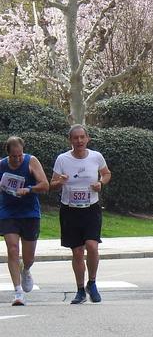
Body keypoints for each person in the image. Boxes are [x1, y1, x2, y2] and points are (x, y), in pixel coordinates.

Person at [51, 125, 111, 305]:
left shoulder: (96, 157)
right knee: (77, 252)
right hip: (70, 209)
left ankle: (91, 283)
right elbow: (51, 184)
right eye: (75, 138)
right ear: (70, 141)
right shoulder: (62, 159)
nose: (79, 141)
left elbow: (106, 173)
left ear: (87, 139)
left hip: (91, 208)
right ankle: (79, 291)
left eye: (82, 137)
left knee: (92, 246)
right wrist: (60, 182)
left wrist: (101, 183)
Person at [1, 136, 49, 306]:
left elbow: (45, 185)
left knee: (28, 258)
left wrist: (28, 189)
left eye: (20, 155)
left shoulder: (31, 161)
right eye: (14, 156)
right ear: (8, 154)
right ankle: (18, 292)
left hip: (29, 213)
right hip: (8, 212)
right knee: (12, 249)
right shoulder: (1, 165)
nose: (18, 159)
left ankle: (26, 269)